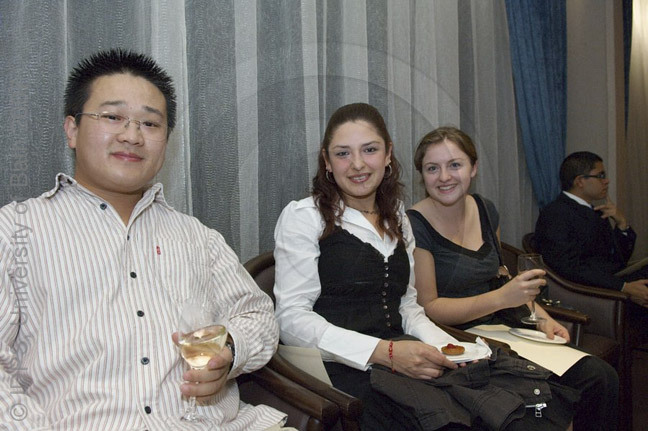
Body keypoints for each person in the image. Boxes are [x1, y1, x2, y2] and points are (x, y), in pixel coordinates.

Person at [0, 49, 292, 430]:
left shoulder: (197, 237)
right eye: (112, 117)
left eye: (150, 124)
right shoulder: (14, 232)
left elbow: (257, 316)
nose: (132, 136)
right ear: (72, 129)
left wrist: (230, 350)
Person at [274, 104, 577, 431]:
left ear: (388, 154)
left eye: (370, 150)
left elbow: (407, 306)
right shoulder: (304, 217)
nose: (358, 164)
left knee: (521, 408)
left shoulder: (397, 217)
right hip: (342, 368)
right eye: (343, 153)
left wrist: (451, 349)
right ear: (326, 161)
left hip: (404, 353)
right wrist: (385, 352)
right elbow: (291, 319)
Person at [407, 127, 619, 431]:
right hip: (456, 340)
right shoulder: (415, 224)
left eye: (454, 165)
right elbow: (429, 307)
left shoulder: (485, 209)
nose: (444, 177)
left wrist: (542, 318)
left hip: (503, 327)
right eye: (432, 168)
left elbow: (502, 278)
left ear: (473, 168)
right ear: (422, 175)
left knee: (600, 377)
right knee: (547, 404)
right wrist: (500, 299)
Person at [534, 151, 648, 307]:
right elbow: (570, 268)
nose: (606, 181)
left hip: (610, 280)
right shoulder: (555, 214)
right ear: (580, 181)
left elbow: (618, 259)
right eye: (601, 176)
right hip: (591, 291)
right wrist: (623, 288)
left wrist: (622, 224)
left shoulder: (596, 211)